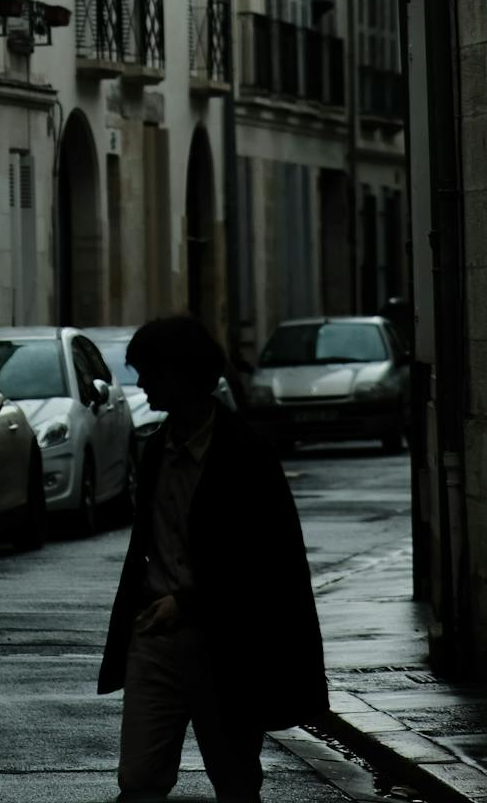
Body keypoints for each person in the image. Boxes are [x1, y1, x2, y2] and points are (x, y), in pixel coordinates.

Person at [98, 313, 326, 801]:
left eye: (150, 372)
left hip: (225, 642)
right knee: (138, 778)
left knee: (235, 778)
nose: (141, 384)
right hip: (155, 635)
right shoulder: (156, 448)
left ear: (181, 374)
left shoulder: (246, 454)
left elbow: (267, 562)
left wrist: (190, 601)